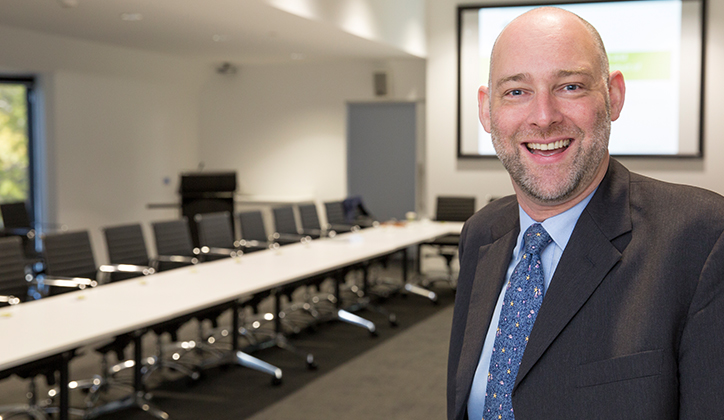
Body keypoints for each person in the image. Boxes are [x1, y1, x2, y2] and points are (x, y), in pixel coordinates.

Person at [447, 7, 724, 420]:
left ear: (613, 96)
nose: (543, 117)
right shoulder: (481, 233)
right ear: (487, 111)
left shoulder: (703, 238)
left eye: (570, 86)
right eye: (516, 92)